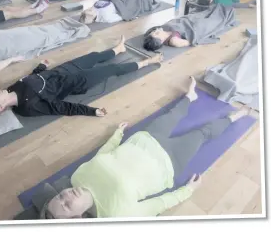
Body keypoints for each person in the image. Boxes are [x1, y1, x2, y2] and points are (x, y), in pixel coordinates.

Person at [40, 77, 251, 218]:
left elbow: (103, 154)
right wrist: (187, 191)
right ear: (77, 219)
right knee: (202, 134)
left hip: (144, 140)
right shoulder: (115, 214)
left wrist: (117, 135)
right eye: (67, 206)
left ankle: (190, 97)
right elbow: (158, 204)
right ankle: (234, 118)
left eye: (60, 197)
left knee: (171, 115)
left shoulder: (78, 176)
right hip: (169, 162)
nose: (67, 196)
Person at [0, 36, 163, 128]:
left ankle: (118, 50)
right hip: (77, 82)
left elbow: (28, 79)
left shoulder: (10, 89)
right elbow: (60, 107)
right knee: (112, 70)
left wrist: (40, 68)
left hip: (63, 69)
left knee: (93, 56)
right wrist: (91, 111)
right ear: (1, 108)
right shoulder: (27, 107)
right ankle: (147, 62)